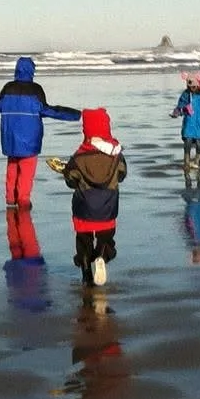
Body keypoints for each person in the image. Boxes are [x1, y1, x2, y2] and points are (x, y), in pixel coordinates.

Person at [0, 57, 81, 209]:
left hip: (10, 139)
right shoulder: (36, 90)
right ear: (31, 71)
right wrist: (75, 115)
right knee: (26, 172)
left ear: (17, 69)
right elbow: (48, 110)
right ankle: (23, 200)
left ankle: (10, 199)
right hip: (30, 140)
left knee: (12, 168)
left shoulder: (8, 88)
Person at [45, 107, 126, 286]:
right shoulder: (116, 155)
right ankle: (102, 257)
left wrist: (66, 171)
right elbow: (122, 174)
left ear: (86, 130)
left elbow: (71, 180)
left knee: (83, 240)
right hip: (108, 206)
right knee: (106, 238)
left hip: (83, 207)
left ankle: (86, 271)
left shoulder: (79, 156)